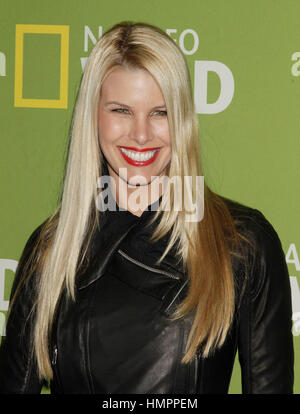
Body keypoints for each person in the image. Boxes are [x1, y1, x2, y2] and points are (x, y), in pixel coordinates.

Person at [0, 21, 294, 394]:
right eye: (121, 110)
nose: (141, 134)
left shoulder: (240, 242)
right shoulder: (51, 250)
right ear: (93, 116)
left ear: (183, 119)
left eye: (160, 112)